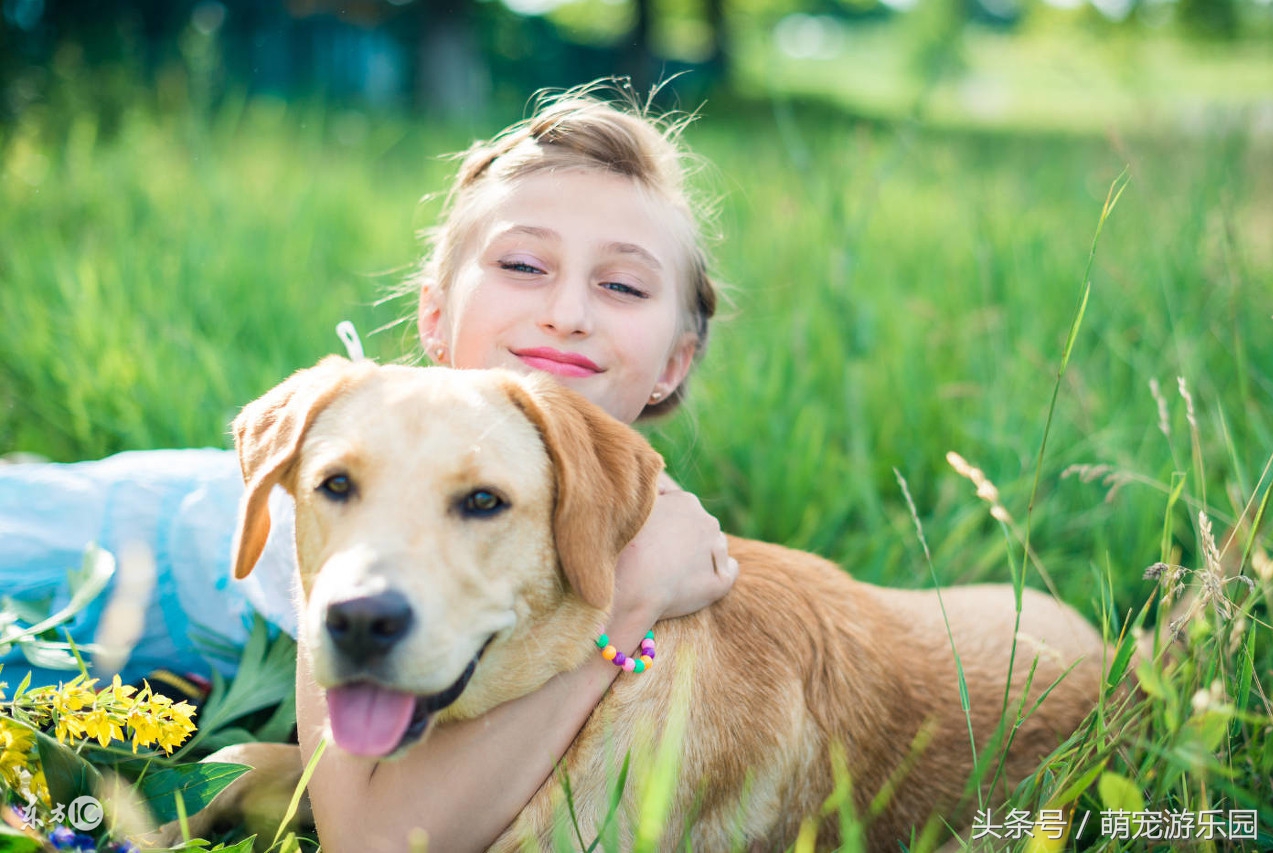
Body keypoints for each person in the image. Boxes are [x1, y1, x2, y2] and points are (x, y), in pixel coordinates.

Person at [0, 83, 738, 848]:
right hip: (126, 538)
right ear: (434, 318)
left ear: (673, 363)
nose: (568, 311)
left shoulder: (648, 507)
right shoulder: (360, 494)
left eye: (621, 283)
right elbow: (373, 832)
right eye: (522, 263)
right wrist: (629, 607)